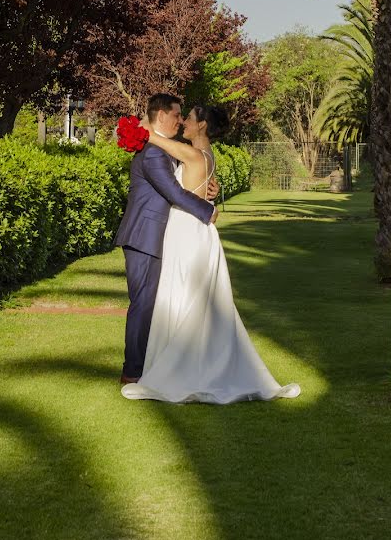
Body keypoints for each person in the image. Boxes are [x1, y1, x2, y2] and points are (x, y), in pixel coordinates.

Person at [121, 105, 301, 404]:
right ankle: (193, 360)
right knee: (194, 300)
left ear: (202, 125)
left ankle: (178, 366)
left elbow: (150, 134)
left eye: (188, 118)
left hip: (187, 229)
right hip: (194, 230)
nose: (183, 124)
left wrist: (136, 125)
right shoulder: (208, 155)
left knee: (182, 296)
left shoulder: (190, 153)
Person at [113, 94, 220, 384]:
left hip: (161, 235)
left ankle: (150, 364)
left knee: (155, 302)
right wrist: (206, 210)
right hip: (144, 236)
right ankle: (132, 372)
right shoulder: (152, 152)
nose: (180, 119)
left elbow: (190, 175)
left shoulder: (166, 149)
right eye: (176, 115)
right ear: (161, 116)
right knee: (144, 303)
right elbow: (173, 192)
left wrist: (207, 186)